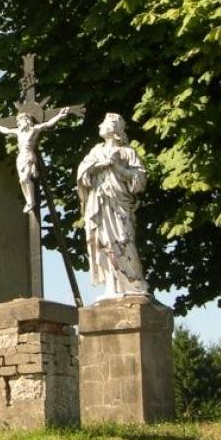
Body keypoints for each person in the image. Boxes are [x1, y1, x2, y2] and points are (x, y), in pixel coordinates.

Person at [76, 113, 149, 300]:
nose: (100, 125)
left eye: (104, 123)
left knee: (123, 239)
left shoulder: (127, 152)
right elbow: (82, 174)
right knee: (103, 241)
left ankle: (133, 282)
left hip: (120, 204)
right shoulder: (95, 151)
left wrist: (118, 168)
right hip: (99, 202)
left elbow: (140, 180)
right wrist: (98, 166)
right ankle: (111, 285)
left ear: (114, 128)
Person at [0, 106, 75, 213]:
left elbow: (48, 124)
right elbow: (6, 131)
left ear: (27, 120)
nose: (19, 123)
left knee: (25, 178)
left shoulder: (34, 129)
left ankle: (31, 202)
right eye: (18, 122)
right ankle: (28, 201)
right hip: (21, 158)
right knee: (21, 180)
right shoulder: (18, 131)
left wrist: (59, 115)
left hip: (29, 157)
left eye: (20, 121)